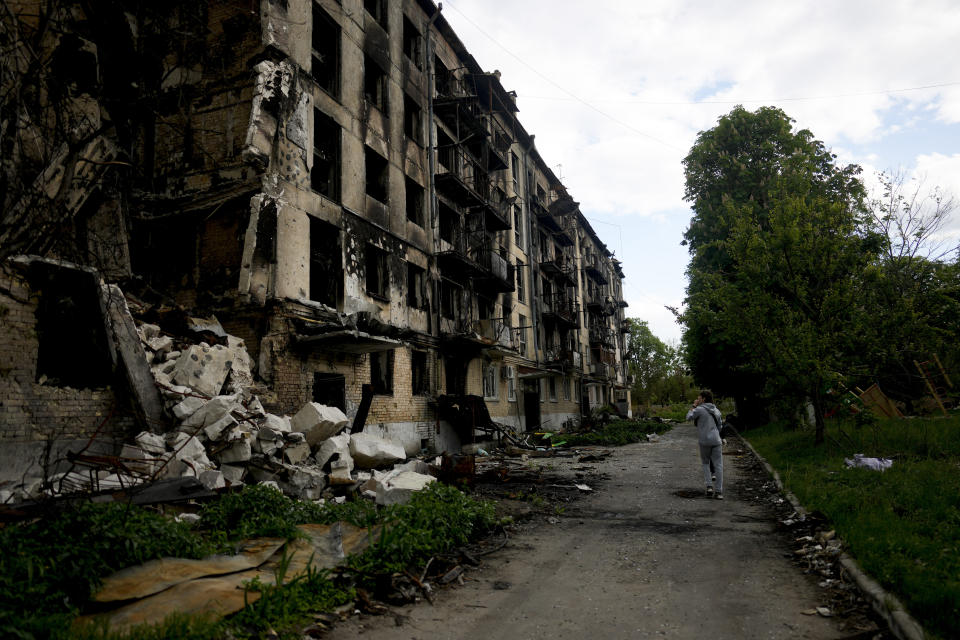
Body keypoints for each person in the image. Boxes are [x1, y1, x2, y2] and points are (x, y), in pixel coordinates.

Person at [686, 389, 724, 499]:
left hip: (704, 441)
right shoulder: (716, 410)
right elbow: (720, 426)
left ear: (703, 399)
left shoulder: (699, 409)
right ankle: (719, 492)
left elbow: (688, 417)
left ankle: (709, 487)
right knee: (719, 465)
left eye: (699, 398)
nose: (698, 399)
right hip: (716, 440)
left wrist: (694, 405)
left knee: (706, 463)